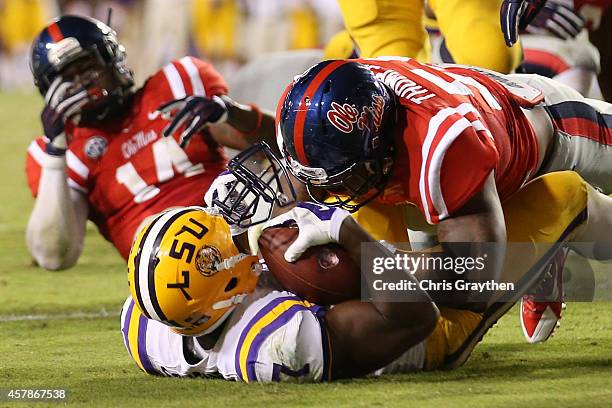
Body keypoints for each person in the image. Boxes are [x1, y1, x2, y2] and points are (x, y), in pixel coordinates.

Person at [120, 168, 602, 381]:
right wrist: (344, 231)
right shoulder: (282, 342)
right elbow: (412, 316)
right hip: (420, 325)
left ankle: (511, 248)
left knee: (360, 173)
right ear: (225, 288)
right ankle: (541, 257)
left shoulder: (146, 324)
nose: (235, 235)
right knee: (561, 194)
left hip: (368, 291)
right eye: (227, 241)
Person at [24, 15, 275, 270]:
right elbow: (54, 256)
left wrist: (231, 113)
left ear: (111, 57)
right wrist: (56, 155)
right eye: (68, 77)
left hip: (239, 238)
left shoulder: (175, 84)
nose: (83, 83)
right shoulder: (61, 152)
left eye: (88, 66)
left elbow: (284, 142)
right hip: (170, 279)